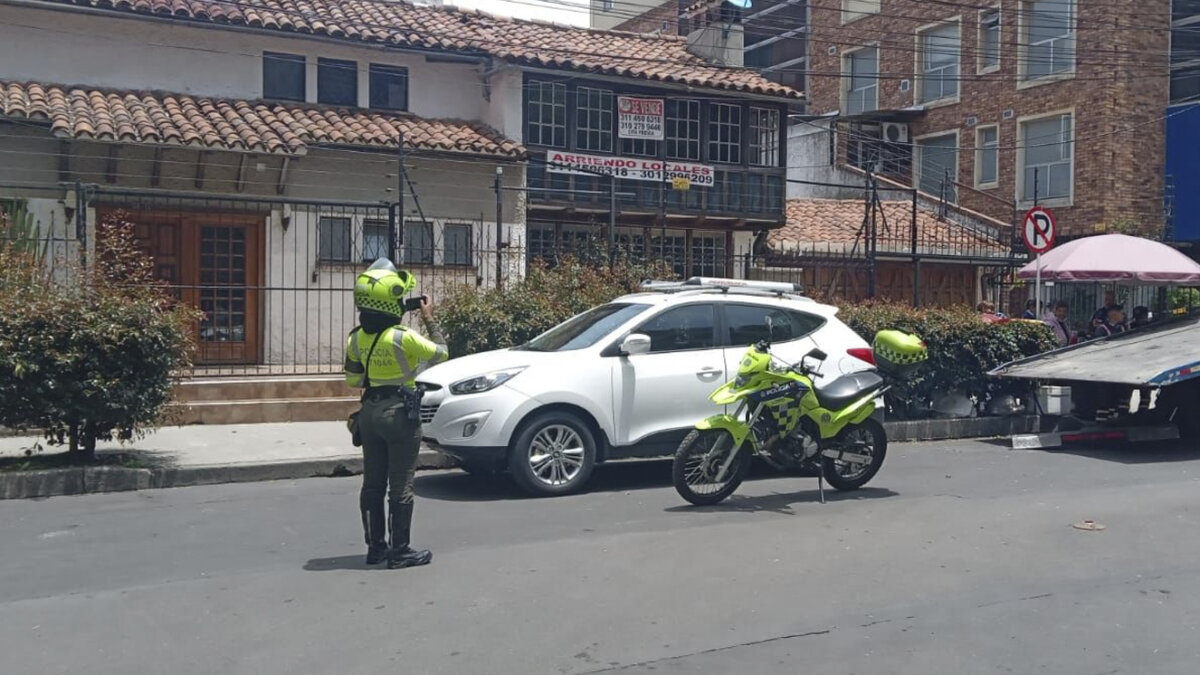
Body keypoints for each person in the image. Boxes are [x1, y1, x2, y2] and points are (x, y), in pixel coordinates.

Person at [345, 259, 448, 569]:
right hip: (400, 413)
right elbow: (442, 351)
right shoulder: (403, 336)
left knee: (372, 484)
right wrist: (428, 318)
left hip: (370, 414)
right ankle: (400, 550)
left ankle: (375, 548)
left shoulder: (355, 338)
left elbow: (352, 379)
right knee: (401, 484)